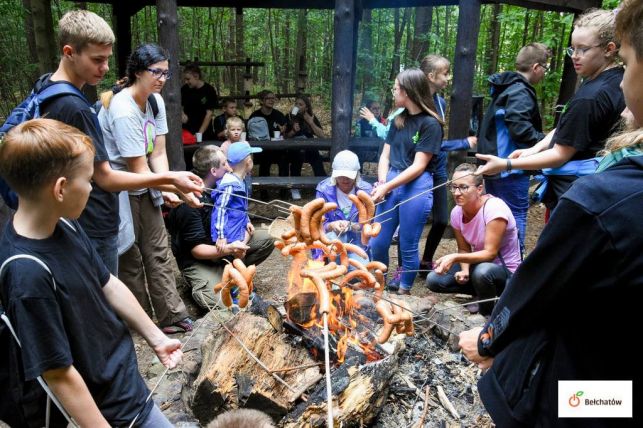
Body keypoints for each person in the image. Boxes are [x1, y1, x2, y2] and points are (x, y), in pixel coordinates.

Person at [458, 2, 643, 425]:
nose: (623, 105)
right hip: (620, 380)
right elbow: (559, 136)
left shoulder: (601, 201)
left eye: (629, 63)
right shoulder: (597, 91)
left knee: (581, 399)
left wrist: (489, 341)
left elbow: (541, 283)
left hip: (587, 385)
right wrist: (533, 149)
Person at [0, 119, 182, 427]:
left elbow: (107, 283)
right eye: (87, 180)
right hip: (103, 413)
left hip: (124, 389)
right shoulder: (26, 274)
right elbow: (58, 372)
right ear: (60, 188)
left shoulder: (64, 223)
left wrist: (156, 337)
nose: (93, 186)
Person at [7, 10, 202, 275]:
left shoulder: (46, 87)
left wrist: (168, 181)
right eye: (97, 60)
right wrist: (172, 180)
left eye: (108, 59)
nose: (106, 68)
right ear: (69, 52)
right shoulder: (74, 107)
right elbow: (106, 178)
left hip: (67, 216)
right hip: (91, 220)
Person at [476, 8, 625, 215]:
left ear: (609, 49)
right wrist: (535, 148)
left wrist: (507, 164)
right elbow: (568, 129)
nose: (575, 56)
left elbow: (559, 155)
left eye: (583, 49)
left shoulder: (591, 96)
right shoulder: (617, 80)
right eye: (572, 48)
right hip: (599, 187)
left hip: (576, 191)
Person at [98, 43, 193, 334]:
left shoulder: (155, 101)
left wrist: (169, 188)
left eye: (166, 73)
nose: (162, 79)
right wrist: (172, 185)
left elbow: (158, 154)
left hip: (145, 181)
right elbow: (136, 167)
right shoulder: (124, 108)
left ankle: (171, 314)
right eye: (157, 72)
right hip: (119, 186)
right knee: (129, 254)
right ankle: (136, 319)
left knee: (158, 248)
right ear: (138, 72)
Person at [369, 68, 443, 295]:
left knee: (408, 242)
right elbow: (385, 155)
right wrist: (382, 181)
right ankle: (379, 283)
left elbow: (419, 165)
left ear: (408, 91)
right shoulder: (398, 118)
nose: (393, 91)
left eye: (396, 87)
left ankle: (404, 291)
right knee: (378, 241)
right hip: (391, 177)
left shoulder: (431, 124)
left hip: (416, 184)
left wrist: (387, 186)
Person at [475, 43, 550, 255]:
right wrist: (544, 142)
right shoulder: (520, 91)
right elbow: (520, 128)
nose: (544, 74)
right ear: (536, 67)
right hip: (511, 167)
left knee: (497, 215)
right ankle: (513, 267)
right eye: (545, 68)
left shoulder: (505, 88)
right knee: (514, 215)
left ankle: (499, 264)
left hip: (497, 165)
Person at [426, 163, 521, 316]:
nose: (457, 193)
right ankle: (483, 294)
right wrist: (464, 270)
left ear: (479, 188)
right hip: (478, 267)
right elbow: (464, 248)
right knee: (434, 279)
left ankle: (487, 314)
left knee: (483, 272)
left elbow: (490, 253)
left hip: (505, 271)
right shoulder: (457, 212)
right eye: (453, 187)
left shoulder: (494, 209)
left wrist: (455, 258)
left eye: (463, 187)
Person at [167, 146, 253, 310]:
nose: (229, 167)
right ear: (214, 171)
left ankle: (227, 270)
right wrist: (230, 249)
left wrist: (245, 220)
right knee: (222, 304)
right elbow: (196, 250)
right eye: (224, 163)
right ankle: (202, 279)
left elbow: (234, 208)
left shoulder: (218, 185)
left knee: (264, 239)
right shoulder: (190, 203)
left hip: (221, 246)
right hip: (197, 260)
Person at [417, 54, 478, 275]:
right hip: (419, 170)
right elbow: (429, 145)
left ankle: (426, 260)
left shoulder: (441, 102)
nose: (448, 78)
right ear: (431, 76)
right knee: (414, 222)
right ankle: (407, 265)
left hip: (438, 169)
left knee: (442, 219)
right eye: (445, 73)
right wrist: (463, 143)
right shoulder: (417, 105)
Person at [211, 142, 274, 272]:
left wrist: (247, 221)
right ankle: (238, 285)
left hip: (238, 226)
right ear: (248, 162)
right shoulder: (229, 184)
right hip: (230, 231)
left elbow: (240, 207)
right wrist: (221, 235)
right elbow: (220, 209)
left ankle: (242, 279)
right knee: (237, 256)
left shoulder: (241, 180)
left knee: (240, 255)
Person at [313, 150, 372, 267]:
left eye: (349, 176)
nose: (345, 179)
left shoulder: (367, 191)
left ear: (357, 174)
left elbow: (371, 225)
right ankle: (332, 270)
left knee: (360, 272)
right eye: (341, 176)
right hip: (330, 241)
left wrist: (354, 226)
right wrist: (331, 225)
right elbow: (316, 225)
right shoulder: (323, 190)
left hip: (356, 242)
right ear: (334, 173)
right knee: (333, 241)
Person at [285, 95, 327, 193]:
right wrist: (293, 131)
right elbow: (285, 137)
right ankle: (295, 188)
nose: (297, 106)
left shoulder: (310, 116)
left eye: (300, 104)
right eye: (296, 104)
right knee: (295, 160)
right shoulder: (289, 116)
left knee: (317, 159)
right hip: (294, 147)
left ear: (306, 107)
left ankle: (324, 187)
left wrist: (311, 123)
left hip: (310, 148)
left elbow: (321, 135)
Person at [181, 62, 218, 140]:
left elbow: (209, 114)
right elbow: (178, 106)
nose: (186, 82)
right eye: (185, 79)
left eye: (188, 79)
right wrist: (182, 114)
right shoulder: (184, 89)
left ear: (196, 76)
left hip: (205, 133)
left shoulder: (209, 90)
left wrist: (199, 134)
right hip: (187, 132)